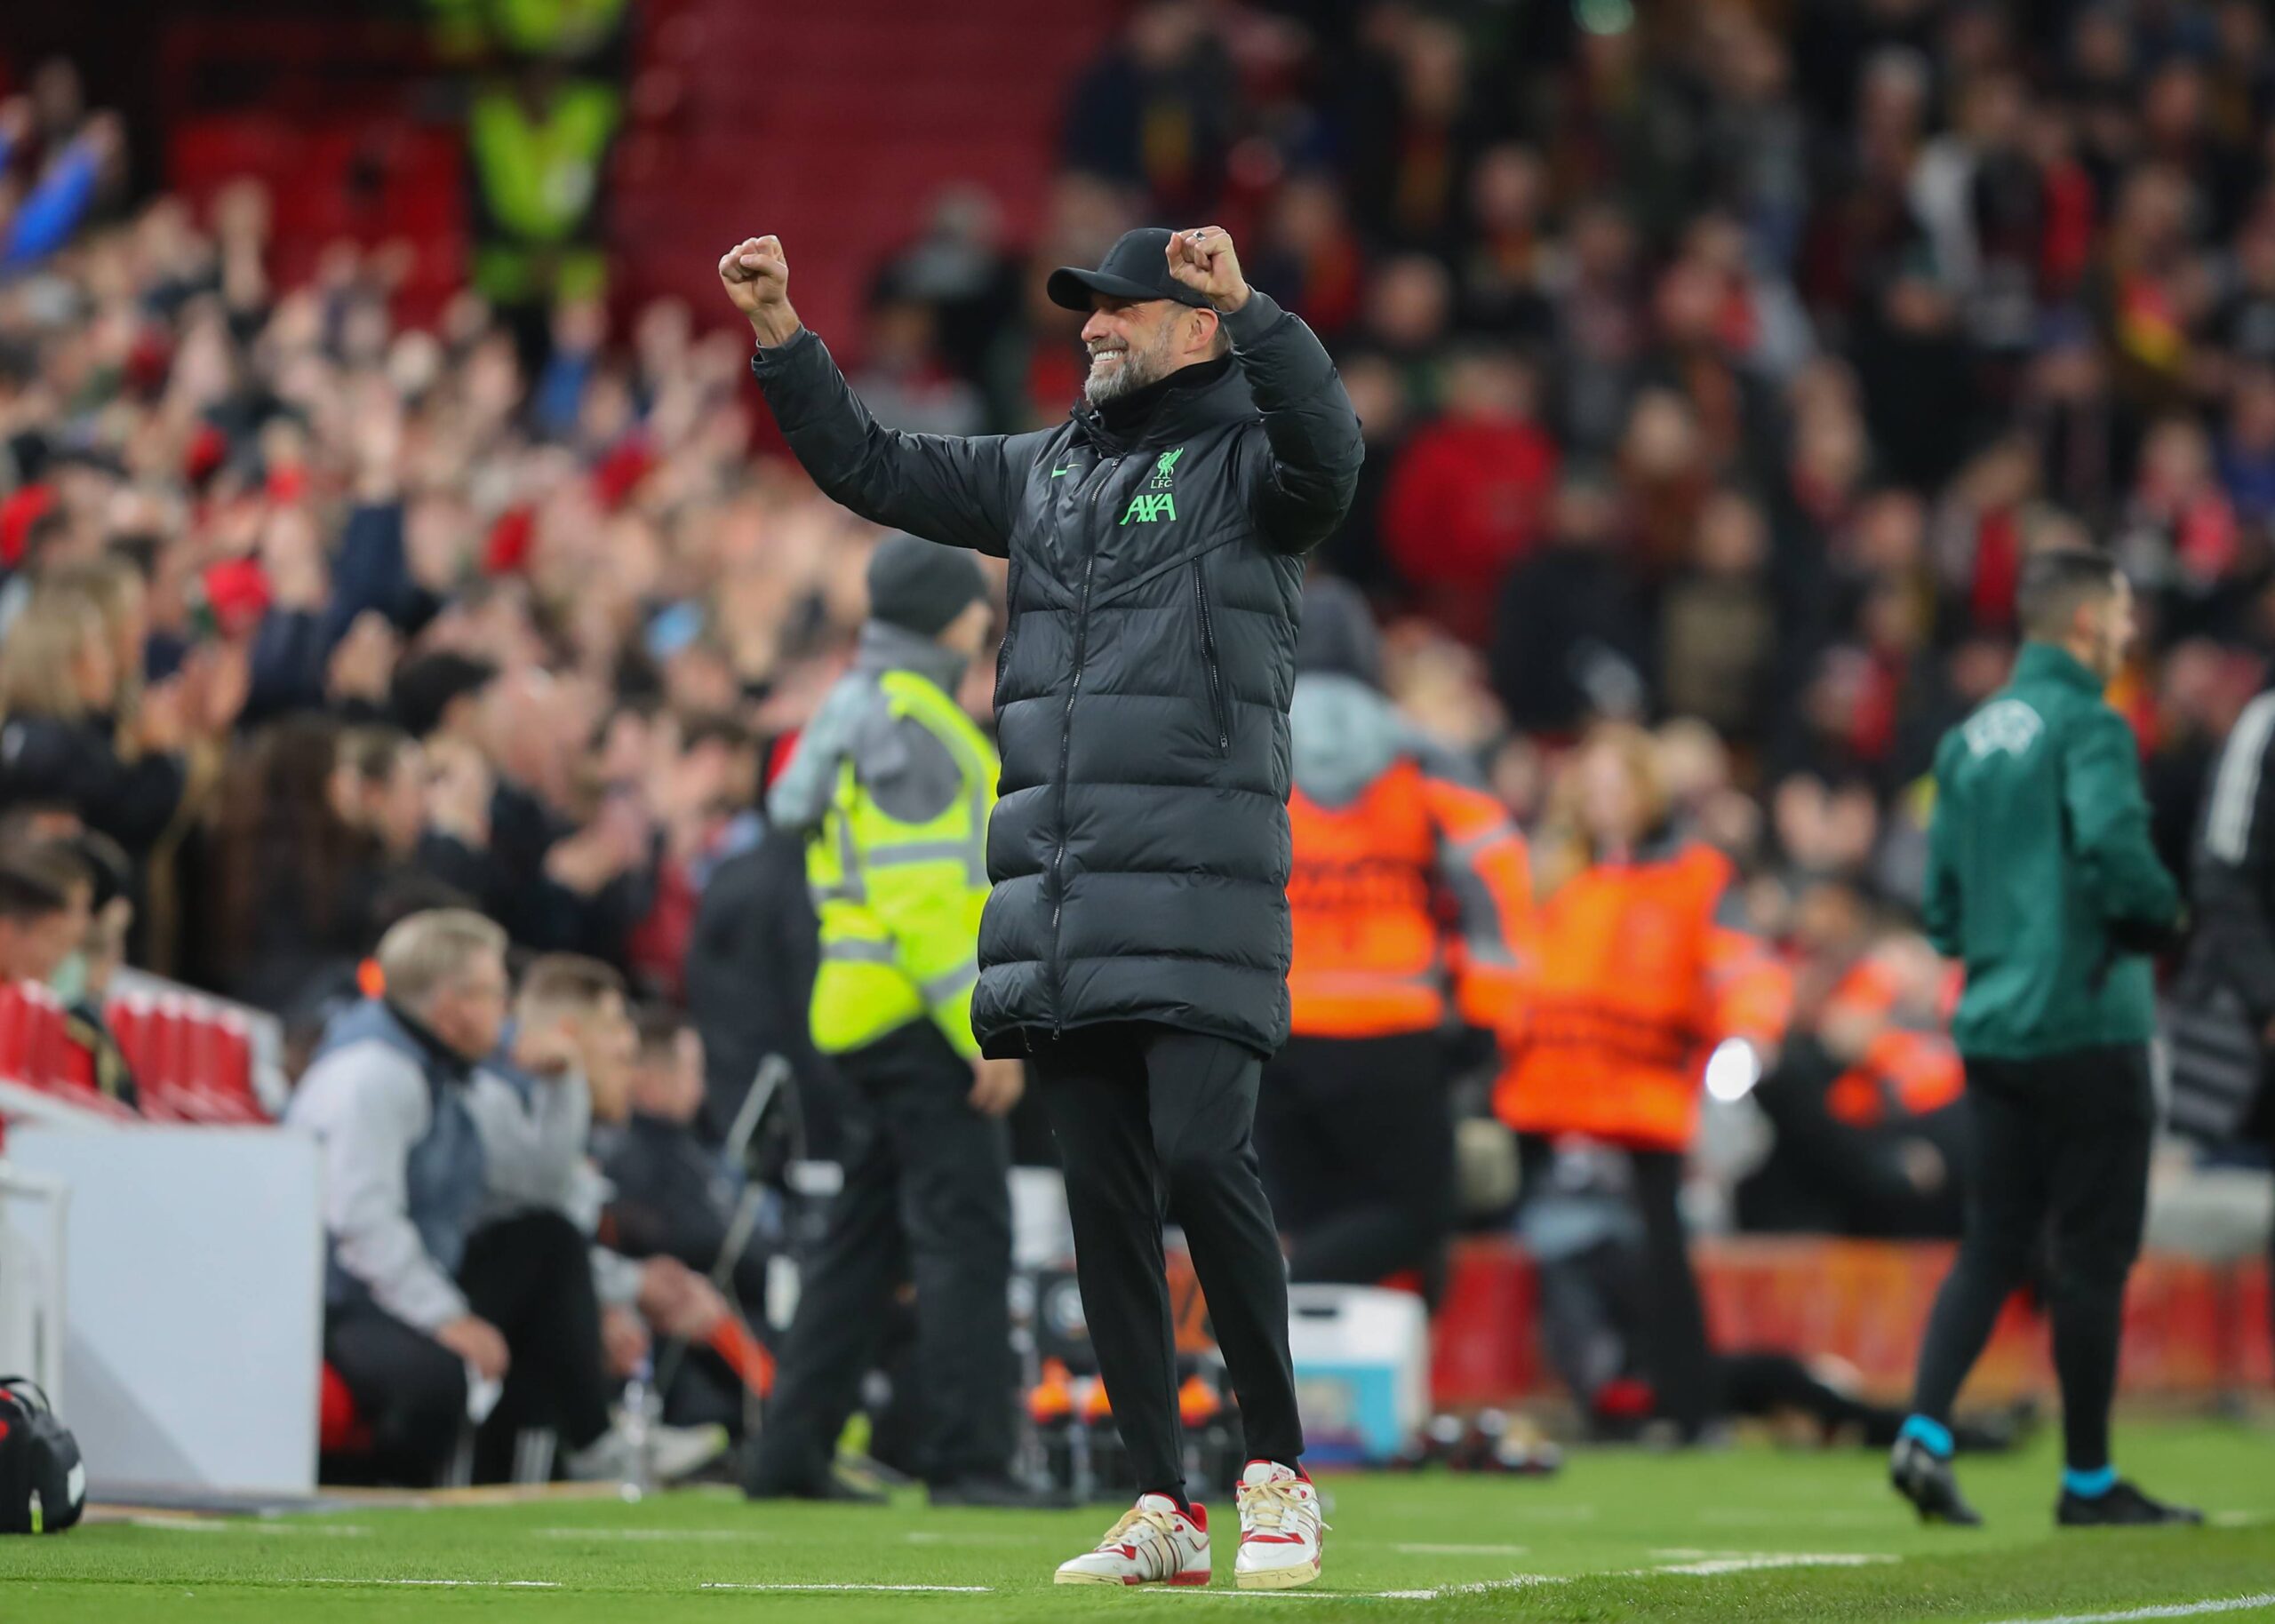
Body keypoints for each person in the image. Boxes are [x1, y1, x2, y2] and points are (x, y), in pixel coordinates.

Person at [723, 218, 1361, 1588]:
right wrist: (785, 336)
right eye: (1086, 312)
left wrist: (1258, 308)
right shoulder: (1045, 473)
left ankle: (1277, 1473)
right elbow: (872, 469)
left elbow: (1335, 452)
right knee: (1104, 1208)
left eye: (1121, 310)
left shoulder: (1252, 465)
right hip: (1062, 903)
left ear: (1195, 327)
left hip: (1199, 893)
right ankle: (1159, 1503)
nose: (1092, 328)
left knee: (1203, 1158)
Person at [1890, 546, 2199, 1529]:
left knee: (1991, 1243)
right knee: (2091, 1259)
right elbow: (2112, 849)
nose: (2127, 634)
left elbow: (1937, 907)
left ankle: (1924, 1430)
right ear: (2081, 626)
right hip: (2085, 1020)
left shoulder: (1967, 739)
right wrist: (2163, 920)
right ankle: (2089, 1480)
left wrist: (1992, 952)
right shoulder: (2089, 725)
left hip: (1990, 1027)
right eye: (2118, 616)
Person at [744, 534, 1036, 1510]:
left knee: (862, 1242)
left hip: (870, 1011)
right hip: (921, 1018)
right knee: (965, 1234)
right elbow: (922, 904)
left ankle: (789, 1452)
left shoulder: (866, 710)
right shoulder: (913, 723)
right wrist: (981, 1027)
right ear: (951, 616)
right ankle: (968, 1460)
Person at [288, 910, 672, 1485]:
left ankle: (589, 1447)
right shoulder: (376, 1076)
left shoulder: (435, 1070)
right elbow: (361, 1225)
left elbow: (536, 1186)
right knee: (441, 1376)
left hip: (388, 1285)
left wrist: (562, 1082)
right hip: (336, 1303)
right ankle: (377, 1495)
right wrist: (449, 1317)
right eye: (496, 994)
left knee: (545, 1241)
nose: (507, 1012)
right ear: (452, 1006)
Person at [1493, 723, 1792, 1443]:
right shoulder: (1552, 875)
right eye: (1590, 787)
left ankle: (1690, 1409)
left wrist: (1749, 1037)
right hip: (1546, 1094)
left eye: (1616, 786)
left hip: (1642, 1096)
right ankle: (1606, 1397)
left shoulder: (1694, 876)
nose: (1602, 802)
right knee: (1553, 1262)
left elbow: (1741, 968)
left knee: (1662, 1263)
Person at [1257, 575, 1529, 1304]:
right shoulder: (1423, 755)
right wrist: (1486, 1010)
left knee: (1305, 1214)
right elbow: (1493, 878)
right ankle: (1295, 1297)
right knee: (1418, 1213)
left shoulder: (1245, 750)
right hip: (1395, 1026)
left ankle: (1293, 1383)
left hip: (1279, 1021)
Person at [462, 952, 730, 1484]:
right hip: (445, 1301)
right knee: (550, 1243)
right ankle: (598, 1443)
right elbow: (538, 1221)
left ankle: (607, 1440)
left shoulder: (552, 1115)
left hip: (492, 1295)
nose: (628, 1054)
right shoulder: (498, 1099)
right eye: (614, 1035)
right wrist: (619, 1294)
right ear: (568, 1034)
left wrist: (624, 1288)